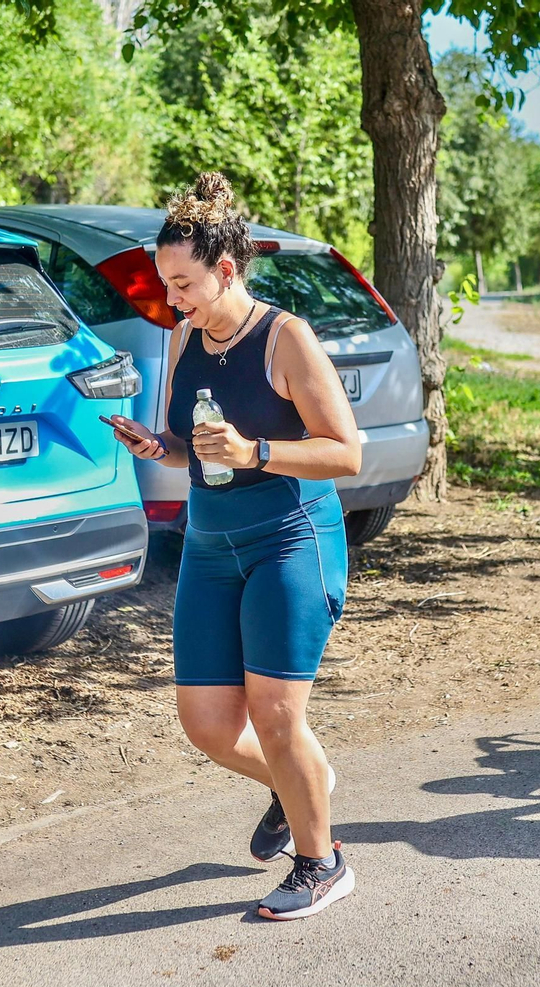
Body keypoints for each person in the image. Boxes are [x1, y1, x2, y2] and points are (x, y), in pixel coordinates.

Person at [110, 172, 361, 920]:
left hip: (291, 538)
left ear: (226, 270)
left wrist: (256, 451)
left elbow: (345, 452)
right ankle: (299, 781)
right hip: (212, 546)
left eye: (182, 283)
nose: (171, 298)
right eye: (165, 284)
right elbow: (198, 451)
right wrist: (160, 445)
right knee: (210, 724)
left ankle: (323, 862)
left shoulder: (286, 338)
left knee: (278, 715)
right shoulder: (185, 336)